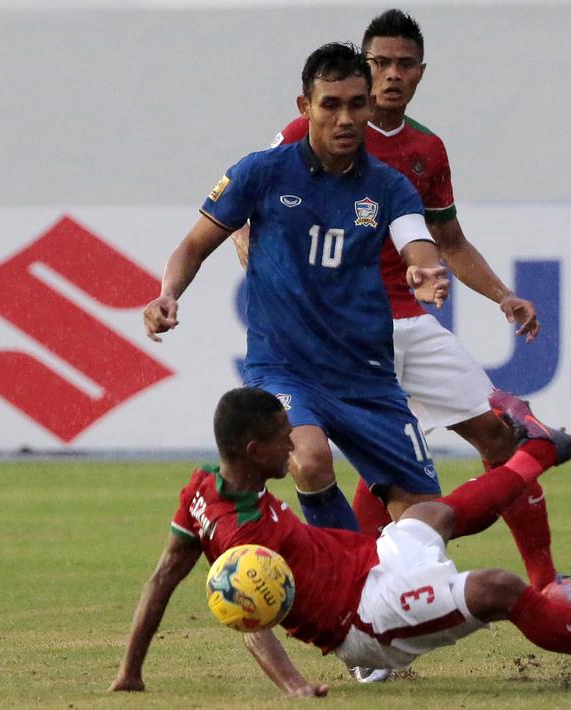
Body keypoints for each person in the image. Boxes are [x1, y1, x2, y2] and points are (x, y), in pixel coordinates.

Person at [232, 9, 571, 613]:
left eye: (404, 64)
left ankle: (546, 581)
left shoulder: (424, 151)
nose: (391, 76)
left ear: (421, 73)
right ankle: (361, 599)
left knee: (498, 436)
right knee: (342, 461)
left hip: (406, 320)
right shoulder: (302, 133)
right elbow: (245, 213)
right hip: (334, 334)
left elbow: (450, 241)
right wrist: (268, 271)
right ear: (358, 68)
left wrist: (502, 295)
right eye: (380, 62)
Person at [108, 387, 571, 697]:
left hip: (364, 561)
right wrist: (291, 685)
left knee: (428, 513)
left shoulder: (202, 488)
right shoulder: (241, 538)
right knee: (498, 588)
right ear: (252, 451)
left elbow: (163, 577)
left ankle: (537, 452)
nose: (293, 449)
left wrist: (130, 671)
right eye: (281, 441)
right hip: (364, 619)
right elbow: (249, 615)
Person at [143, 43, 453, 532]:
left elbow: (417, 241)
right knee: (308, 459)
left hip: (367, 374)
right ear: (305, 107)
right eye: (330, 104)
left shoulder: (390, 187)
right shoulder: (261, 172)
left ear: (370, 107)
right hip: (285, 368)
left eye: (356, 103)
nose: (345, 117)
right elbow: (193, 246)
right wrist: (168, 292)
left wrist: (425, 269)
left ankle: (392, 590)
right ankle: (346, 578)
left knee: (427, 514)